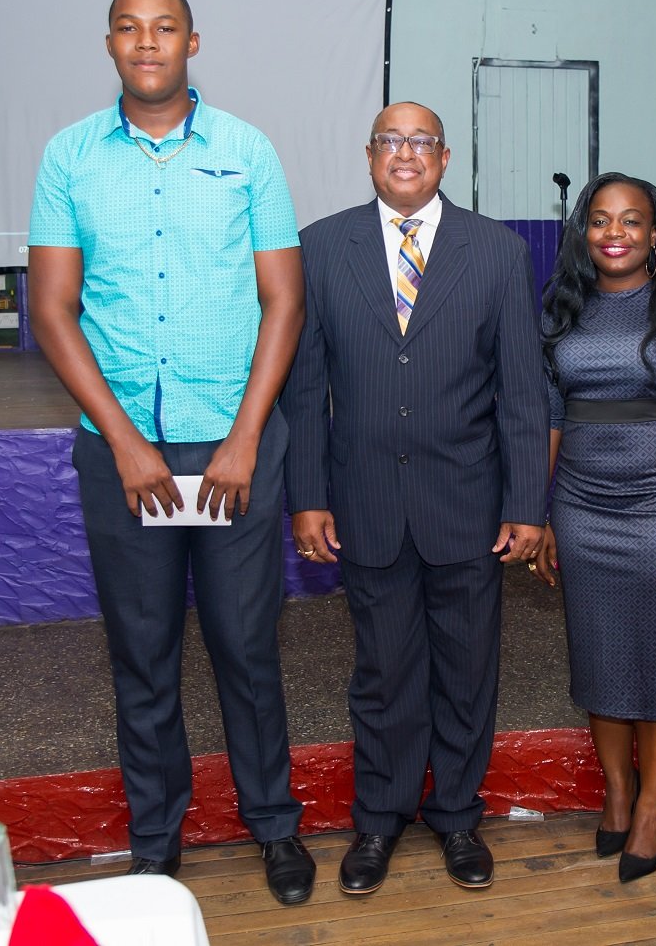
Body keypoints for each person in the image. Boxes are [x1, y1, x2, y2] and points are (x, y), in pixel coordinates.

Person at [28, 0, 315, 904]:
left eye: (164, 28)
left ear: (194, 41)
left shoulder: (248, 151)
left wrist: (242, 438)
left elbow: (284, 301)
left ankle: (273, 824)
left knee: (246, 647)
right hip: (123, 453)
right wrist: (122, 438)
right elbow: (52, 310)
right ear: (109, 42)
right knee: (142, 652)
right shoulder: (68, 157)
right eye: (128, 28)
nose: (147, 43)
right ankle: (155, 841)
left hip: (231, 449)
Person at [281, 102, 547, 896]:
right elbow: (305, 386)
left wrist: (527, 503)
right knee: (384, 672)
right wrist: (308, 496)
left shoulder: (497, 251)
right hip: (363, 504)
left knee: (467, 671)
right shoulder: (322, 246)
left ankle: (459, 815)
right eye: (391, 141)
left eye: (421, 141)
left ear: (445, 156)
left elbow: (523, 394)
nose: (406, 153)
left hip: (466, 503)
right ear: (369, 156)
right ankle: (379, 820)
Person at [535, 173, 656, 884]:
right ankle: (617, 791)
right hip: (582, 509)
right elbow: (548, 418)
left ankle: (653, 802)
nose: (615, 232)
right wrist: (539, 510)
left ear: (655, 233)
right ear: (584, 232)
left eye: (632, 220)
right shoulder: (562, 308)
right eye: (600, 220)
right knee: (599, 656)